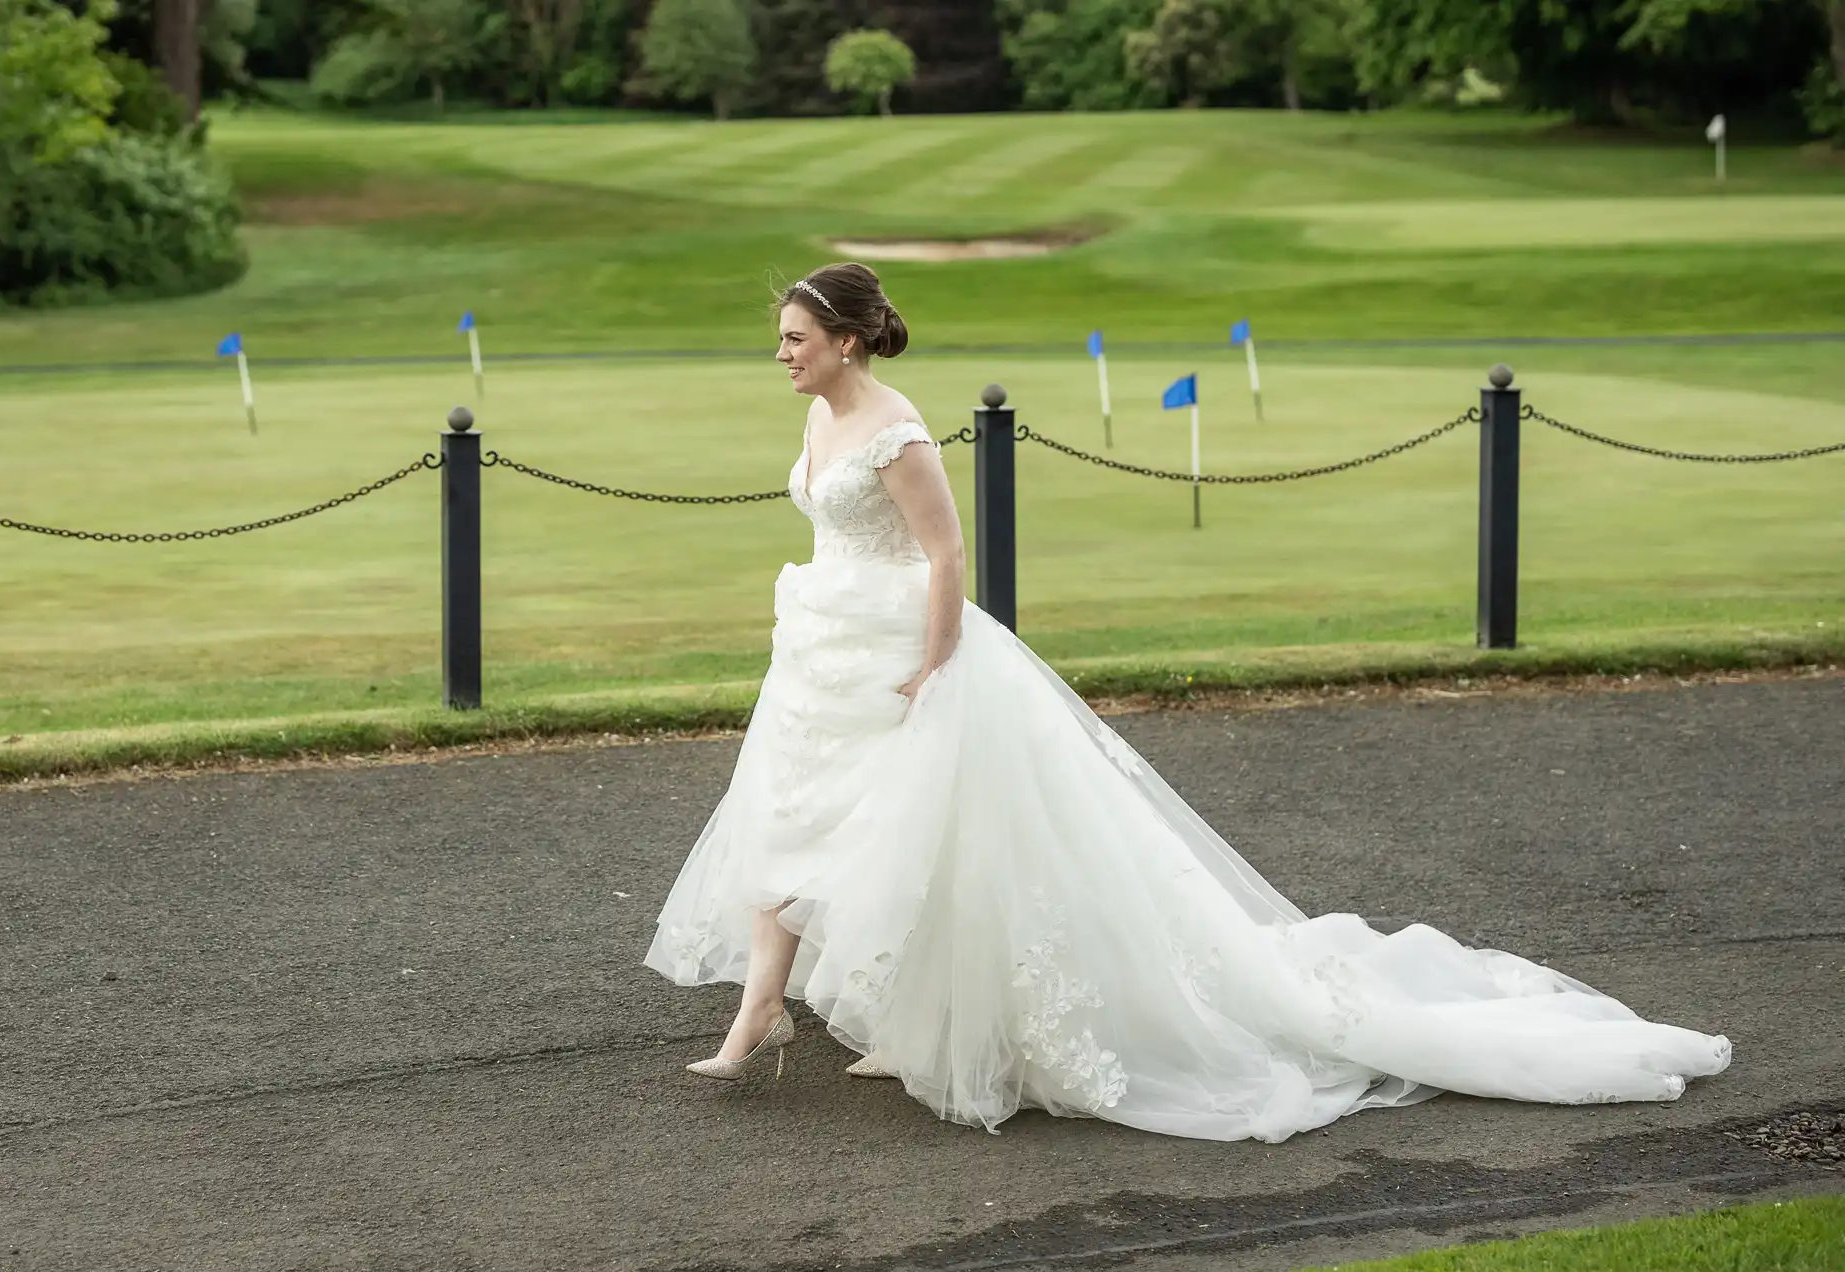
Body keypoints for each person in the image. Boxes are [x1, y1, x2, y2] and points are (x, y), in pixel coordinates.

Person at [641, 262, 1731, 1141]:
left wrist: (931, 665)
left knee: (912, 838)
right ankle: (763, 1011)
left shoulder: (897, 429)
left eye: (793, 337)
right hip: (819, 646)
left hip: (898, 652)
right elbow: (833, 532)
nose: (779, 354)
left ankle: (824, 1020)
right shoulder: (817, 422)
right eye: (779, 338)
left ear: (845, 340)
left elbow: (945, 553)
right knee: (792, 815)